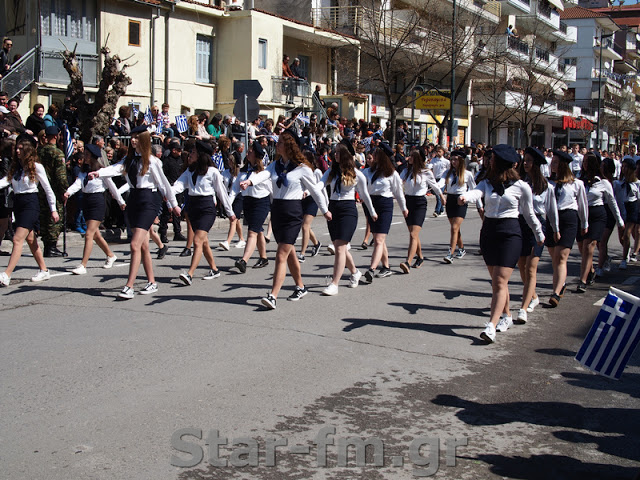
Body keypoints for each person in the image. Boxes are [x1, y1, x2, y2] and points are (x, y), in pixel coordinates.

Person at [458, 145, 544, 344]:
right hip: (489, 233)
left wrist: (539, 233)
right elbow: (476, 193)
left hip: (510, 234)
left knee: (499, 281)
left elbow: (529, 214)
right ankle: (506, 316)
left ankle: (490, 326)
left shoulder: (521, 186)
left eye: (493, 159)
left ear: (502, 163)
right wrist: (464, 197)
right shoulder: (487, 183)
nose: (489, 161)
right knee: (499, 283)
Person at [240, 129, 331, 309]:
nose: (277, 145)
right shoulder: (275, 165)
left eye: (280, 142)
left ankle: (273, 295)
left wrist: (325, 210)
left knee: (281, 254)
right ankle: (301, 286)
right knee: (289, 253)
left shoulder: (303, 169)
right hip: (278, 211)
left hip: (293, 213)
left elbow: (315, 191)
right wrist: (250, 182)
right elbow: (264, 174)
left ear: (289, 146)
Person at [88, 126, 180, 299]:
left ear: (144, 139)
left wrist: (173, 204)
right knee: (144, 245)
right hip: (134, 200)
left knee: (134, 244)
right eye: (132, 137)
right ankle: (152, 282)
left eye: (137, 137)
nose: (133, 140)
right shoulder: (129, 159)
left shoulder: (152, 161)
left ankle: (129, 286)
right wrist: (98, 173)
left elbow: (163, 184)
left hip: (148, 201)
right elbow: (115, 168)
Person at [172, 140, 235, 284]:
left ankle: (190, 273)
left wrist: (230, 212)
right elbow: (178, 185)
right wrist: (168, 193)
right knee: (203, 242)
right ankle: (214, 269)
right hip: (193, 207)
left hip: (206, 208)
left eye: (193, 152)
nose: (190, 155)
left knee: (197, 240)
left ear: (200, 155)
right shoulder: (190, 171)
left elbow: (221, 192)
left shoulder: (212, 172)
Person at [0, 134, 60, 286]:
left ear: (27, 150)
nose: (17, 151)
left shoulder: (36, 166)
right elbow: (4, 182)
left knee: (17, 239)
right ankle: (44, 270)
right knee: (31, 240)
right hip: (18, 204)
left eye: (21, 148)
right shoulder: (16, 167)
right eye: (17, 148)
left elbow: (48, 189)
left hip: (31, 204)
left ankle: (6, 274)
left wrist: (53, 209)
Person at [320, 141, 377, 295]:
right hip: (333, 209)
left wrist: (372, 212)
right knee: (342, 248)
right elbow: (319, 185)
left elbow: (364, 194)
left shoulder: (357, 174)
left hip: (348, 211)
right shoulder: (331, 171)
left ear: (345, 155)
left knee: (339, 248)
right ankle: (355, 272)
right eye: (335, 152)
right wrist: (309, 193)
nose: (335, 154)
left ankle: (334, 284)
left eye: (338, 152)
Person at [63, 144, 124, 275]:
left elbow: (112, 187)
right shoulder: (83, 171)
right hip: (86, 201)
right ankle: (110, 255)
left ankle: (83, 265)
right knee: (95, 234)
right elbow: (78, 183)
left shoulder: (102, 171)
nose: (84, 156)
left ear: (92, 156)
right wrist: (68, 192)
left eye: (86, 154)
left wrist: (121, 201)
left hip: (97, 202)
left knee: (89, 234)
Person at [515, 147, 559, 323]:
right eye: (524, 160)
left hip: (537, 226)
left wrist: (555, 229)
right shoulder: (519, 182)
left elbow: (552, 210)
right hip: (520, 224)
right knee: (521, 265)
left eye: (529, 161)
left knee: (531, 268)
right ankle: (533, 296)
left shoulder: (546, 186)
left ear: (537, 164)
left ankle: (523, 308)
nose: (525, 163)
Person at [545, 150, 588, 307]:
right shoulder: (549, 183)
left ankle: (556, 293)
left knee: (561, 257)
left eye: (555, 162)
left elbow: (582, 205)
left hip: (568, 218)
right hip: (551, 220)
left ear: (563, 165)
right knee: (554, 258)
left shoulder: (576, 184)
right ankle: (561, 284)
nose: (552, 165)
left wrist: (584, 224)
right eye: (552, 162)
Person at [576, 152, 623, 292]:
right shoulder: (579, 181)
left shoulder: (603, 183)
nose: (585, 165)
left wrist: (620, 221)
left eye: (588, 162)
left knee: (588, 247)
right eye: (584, 161)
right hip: (582, 215)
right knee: (581, 248)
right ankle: (589, 271)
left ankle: (582, 280)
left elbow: (612, 203)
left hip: (597, 215)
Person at [362, 142, 408, 283]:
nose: (372, 156)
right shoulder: (368, 171)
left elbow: (398, 193)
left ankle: (371, 269)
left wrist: (404, 208)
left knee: (379, 240)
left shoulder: (392, 174)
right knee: (379, 238)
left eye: (376, 154)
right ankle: (386, 267)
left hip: (384, 205)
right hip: (370, 205)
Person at [400, 148, 445, 273]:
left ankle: (407, 262)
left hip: (420, 203)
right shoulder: (406, 171)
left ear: (418, 158)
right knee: (413, 233)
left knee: (414, 234)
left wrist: (441, 196)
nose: (409, 158)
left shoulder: (426, 172)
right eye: (409, 156)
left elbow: (434, 186)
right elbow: (397, 182)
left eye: (412, 156)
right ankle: (420, 257)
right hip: (408, 202)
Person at [229, 140, 271, 272]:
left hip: (261, 203)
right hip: (247, 202)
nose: (247, 153)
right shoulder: (243, 170)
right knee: (258, 231)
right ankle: (263, 258)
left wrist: (277, 207)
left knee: (252, 232)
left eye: (250, 152)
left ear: (256, 155)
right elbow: (235, 189)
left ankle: (244, 261)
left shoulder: (263, 172)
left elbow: (272, 190)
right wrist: (228, 205)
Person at [443, 149, 479, 263]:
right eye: (452, 159)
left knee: (454, 228)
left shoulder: (467, 174)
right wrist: (437, 191)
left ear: (461, 161)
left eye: (456, 160)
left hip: (461, 201)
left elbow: (475, 190)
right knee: (455, 229)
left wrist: (479, 205)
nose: (453, 162)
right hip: (450, 200)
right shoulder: (447, 173)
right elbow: (440, 183)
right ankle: (461, 248)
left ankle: (450, 254)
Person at [37, 125, 68, 257]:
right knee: (55, 217)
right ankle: (51, 246)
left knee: (44, 216)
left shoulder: (39, 151)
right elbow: (60, 176)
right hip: (54, 189)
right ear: (56, 136)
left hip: (40, 189)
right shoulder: (57, 153)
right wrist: (64, 191)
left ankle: (47, 245)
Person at [614, 157, 640, 270]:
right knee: (622, 236)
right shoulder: (618, 183)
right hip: (622, 208)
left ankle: (624, 259)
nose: (624, 169)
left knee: (627, 234)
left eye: (626, 167)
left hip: (633, 208)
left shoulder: (637, 183)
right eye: (622, 166)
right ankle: (627, 249)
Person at [298, 149, 323, 262]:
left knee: (305, 226)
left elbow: (318, 187)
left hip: (312, 200)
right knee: (305, 225)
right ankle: (316, 244)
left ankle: (302, 253)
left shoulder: (316, 172)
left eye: (303, 159)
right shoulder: (300, 170)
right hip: (302, 200)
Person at [158, 140, 185, 243]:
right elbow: (164, 177)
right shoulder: (166, 162)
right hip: (169, 188)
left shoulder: (180, 160)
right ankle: (163, 234)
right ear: (173, 150)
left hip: (178, 189)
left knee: (178, 212)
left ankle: (177, 232)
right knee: (166, 212)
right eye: (178, 150)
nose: (180, 152)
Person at [220, 147, 246, 250]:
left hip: (238, 196)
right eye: (228, 160)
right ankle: (242, 239)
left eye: (230, 160)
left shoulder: (240, 173)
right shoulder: (225, 173)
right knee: (237, 220)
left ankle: (228, 241)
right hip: (228, 196)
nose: (228, 162)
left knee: (233, 219)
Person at [430, 146, 449, 217]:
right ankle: (441, 209)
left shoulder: (446, 161)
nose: (438, 153)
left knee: (439, 195)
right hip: (435, 179)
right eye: (437, 151)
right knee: (437, 195)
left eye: (440, 151)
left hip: (442, 179)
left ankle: (437, 211)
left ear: (443, 152)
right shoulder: (434, 160)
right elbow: (430, 166)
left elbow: (448, 170)